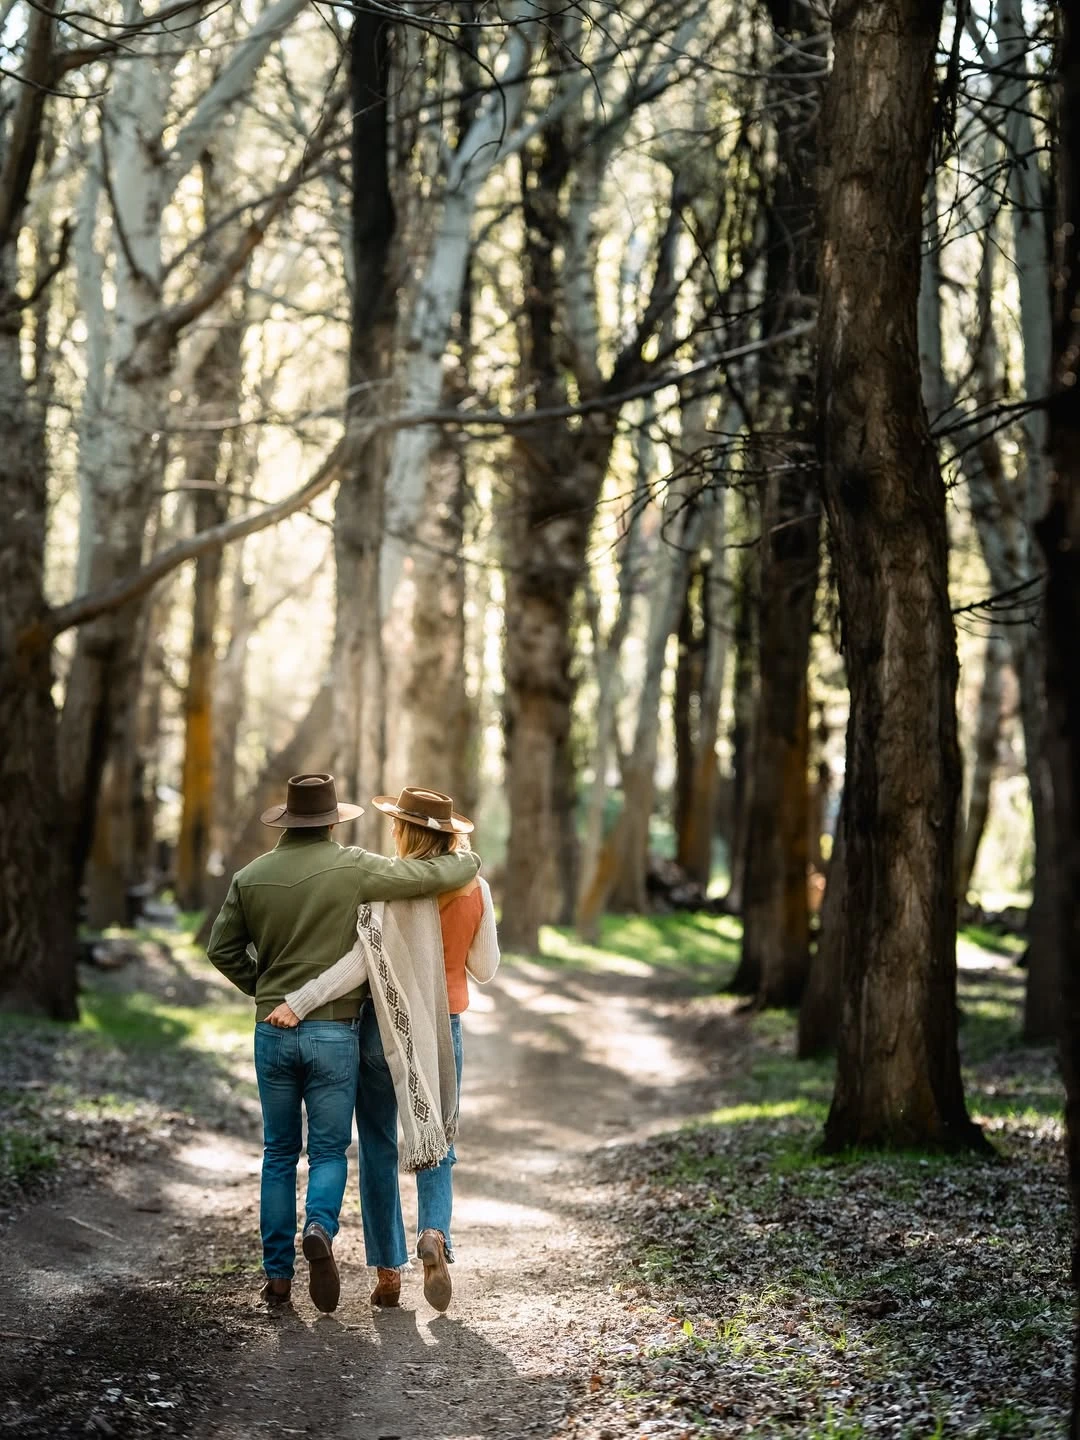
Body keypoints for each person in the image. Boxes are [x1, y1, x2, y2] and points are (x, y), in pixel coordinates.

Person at [206, 773, 481, 1314]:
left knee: (282, 1153)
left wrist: (263, 989)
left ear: (286, 820)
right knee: (338, 1148)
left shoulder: (249, 877)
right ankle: (332, 1228)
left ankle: (286, 1280)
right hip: (340, 1031)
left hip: (275, 1028)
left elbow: (222, 949)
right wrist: (468, 860)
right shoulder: (356, 867)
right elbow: (432, 881)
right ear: (333, 819)